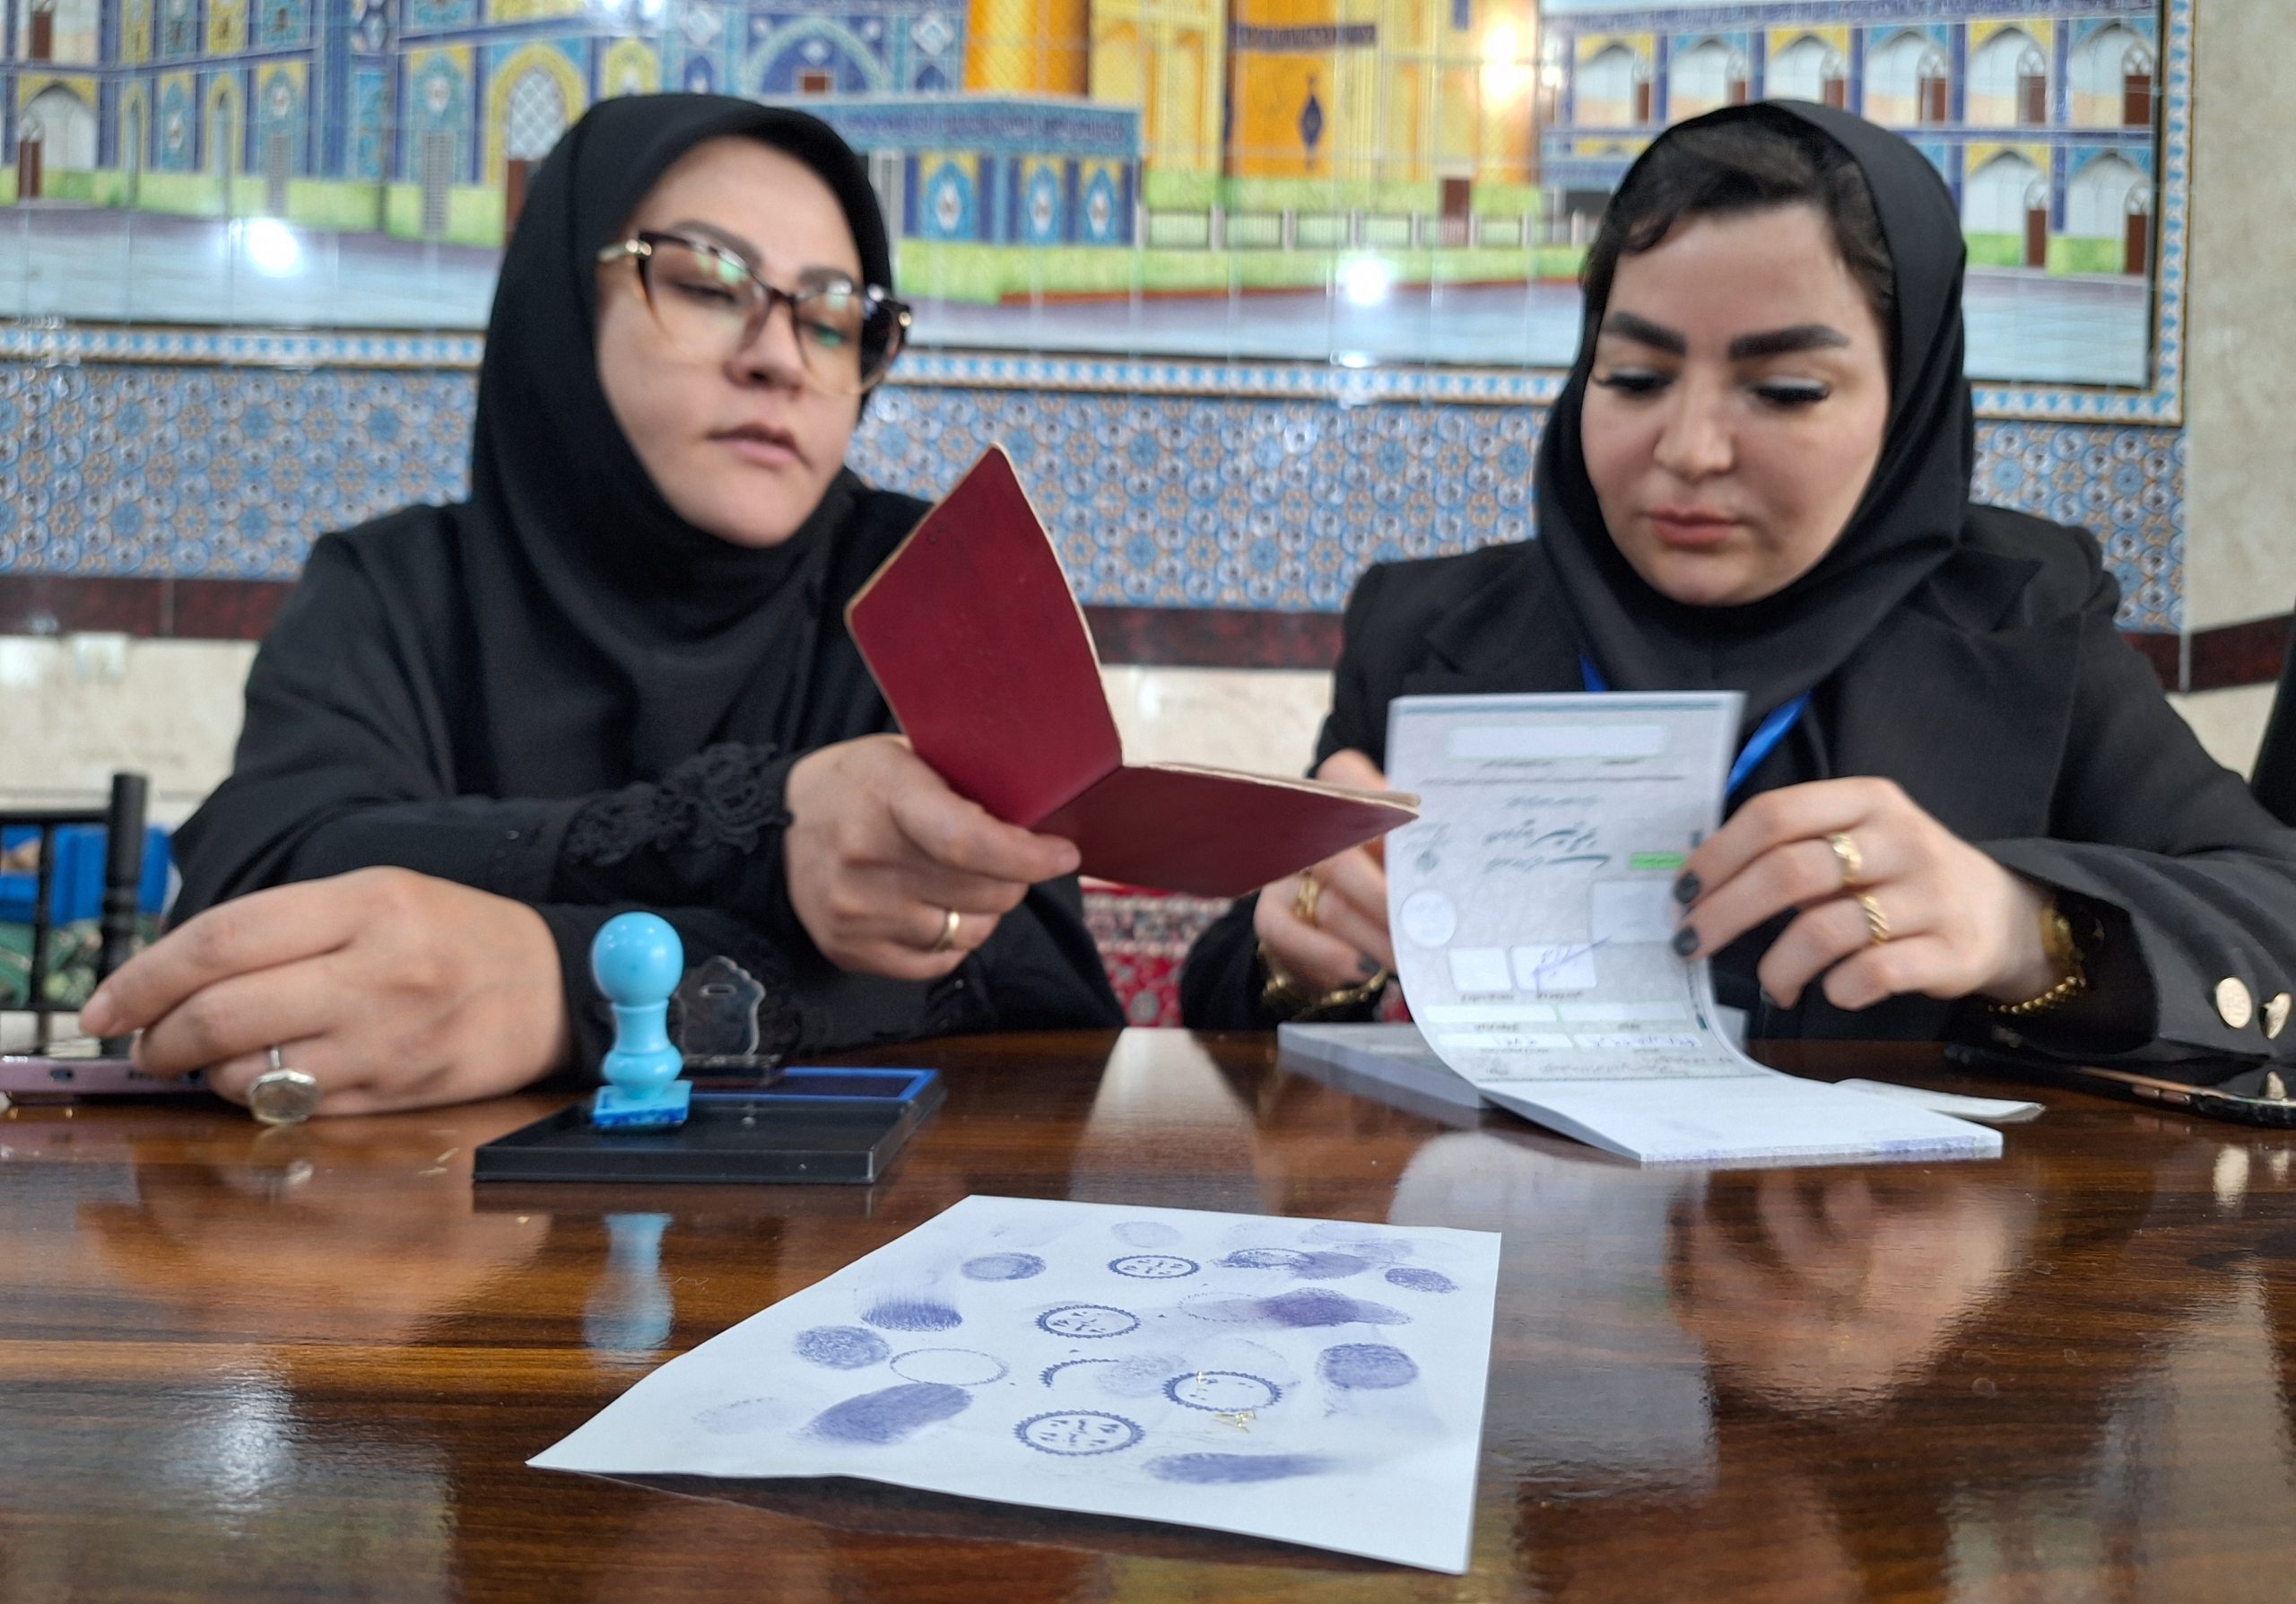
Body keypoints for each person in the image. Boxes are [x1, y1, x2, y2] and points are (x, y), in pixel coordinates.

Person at [1184, 100, 2296, 1061]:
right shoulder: (1427, 629)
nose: (1690, 450)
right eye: (1634, 377)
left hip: (1900, 1241)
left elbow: (2273, 915)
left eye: (1785, 390)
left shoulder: (2025, 621)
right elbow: (1231, 998)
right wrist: (1303, 944)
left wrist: (2024, 925)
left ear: (1908, 402)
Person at [79, 94, 1122, 1116]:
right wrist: (756, 837)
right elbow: (262, 889)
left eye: (833, 316)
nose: (780, 359)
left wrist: (572, 989)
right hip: (421, 1220)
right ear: (563, 308)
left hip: (856, 1219)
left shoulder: (924, 580)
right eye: (708, 284)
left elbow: (1035, 979)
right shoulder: (394, 585)